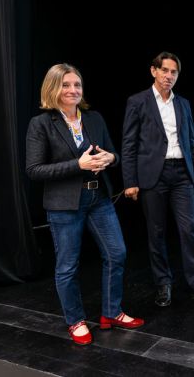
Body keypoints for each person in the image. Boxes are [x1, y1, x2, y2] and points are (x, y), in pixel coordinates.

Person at [26, 63, 144, 346]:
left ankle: (111, 312)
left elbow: (113, 153)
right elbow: (34, 170)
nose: (73, 90)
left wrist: (109, 159)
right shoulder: (41, 124)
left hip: (98, 198)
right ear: (53, 88)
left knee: (117, 253)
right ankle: (75, 320)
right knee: (67, 265)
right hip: (64, 205)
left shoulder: (94, 119)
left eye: (77, 85)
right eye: (66, 85)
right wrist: (77, 164)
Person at [122, 52, 194, 307]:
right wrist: (129, 180)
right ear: (153, 71)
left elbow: (190, 143)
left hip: (181, 174)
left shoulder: (183, 104)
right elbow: (129, 144)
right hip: (153, 175)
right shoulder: (137, 102)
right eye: (164, 70)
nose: (169, 76)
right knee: (156, 232)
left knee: (189, 230)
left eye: (173, 72)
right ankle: (163, 284)